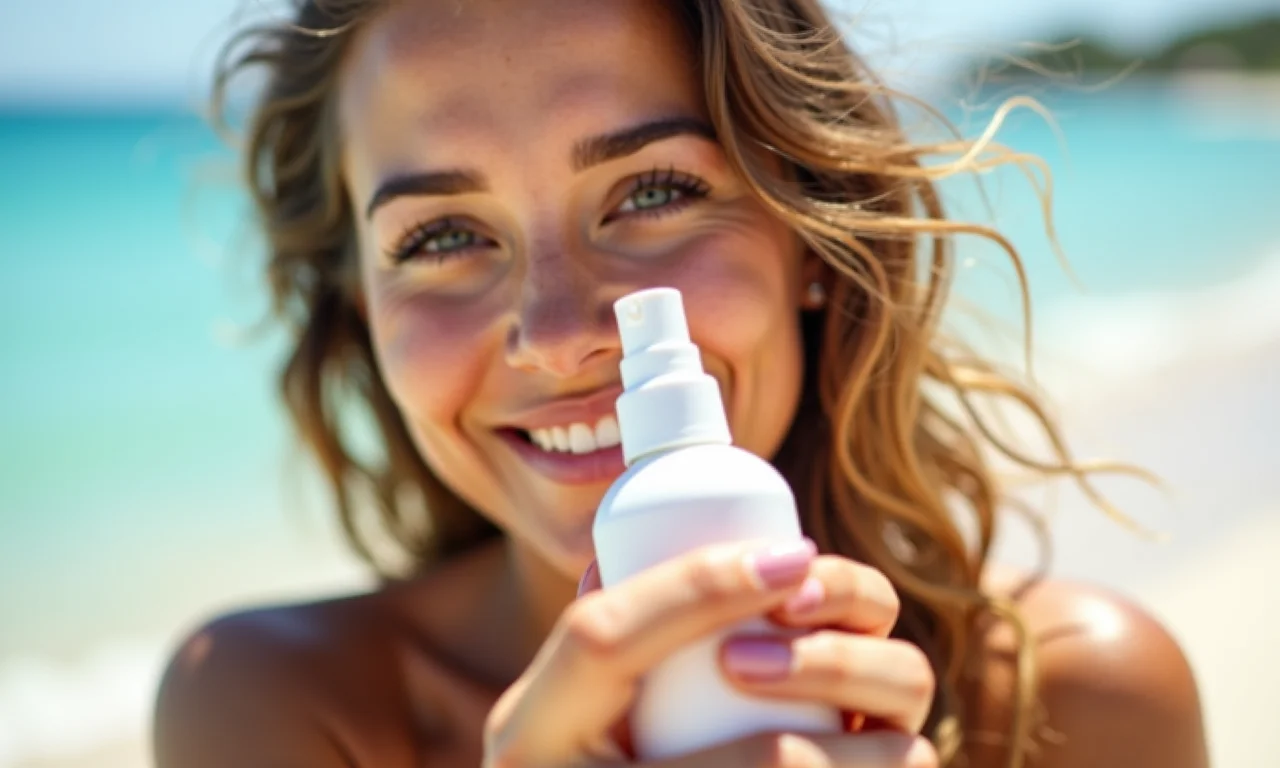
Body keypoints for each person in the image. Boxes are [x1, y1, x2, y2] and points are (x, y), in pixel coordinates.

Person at [153, 1, 1209, 766]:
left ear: (807, 233)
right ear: (360, 316)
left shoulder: (1074, 703)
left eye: (652, 191)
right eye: (440, 236)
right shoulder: (278, 710)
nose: (561, 339)